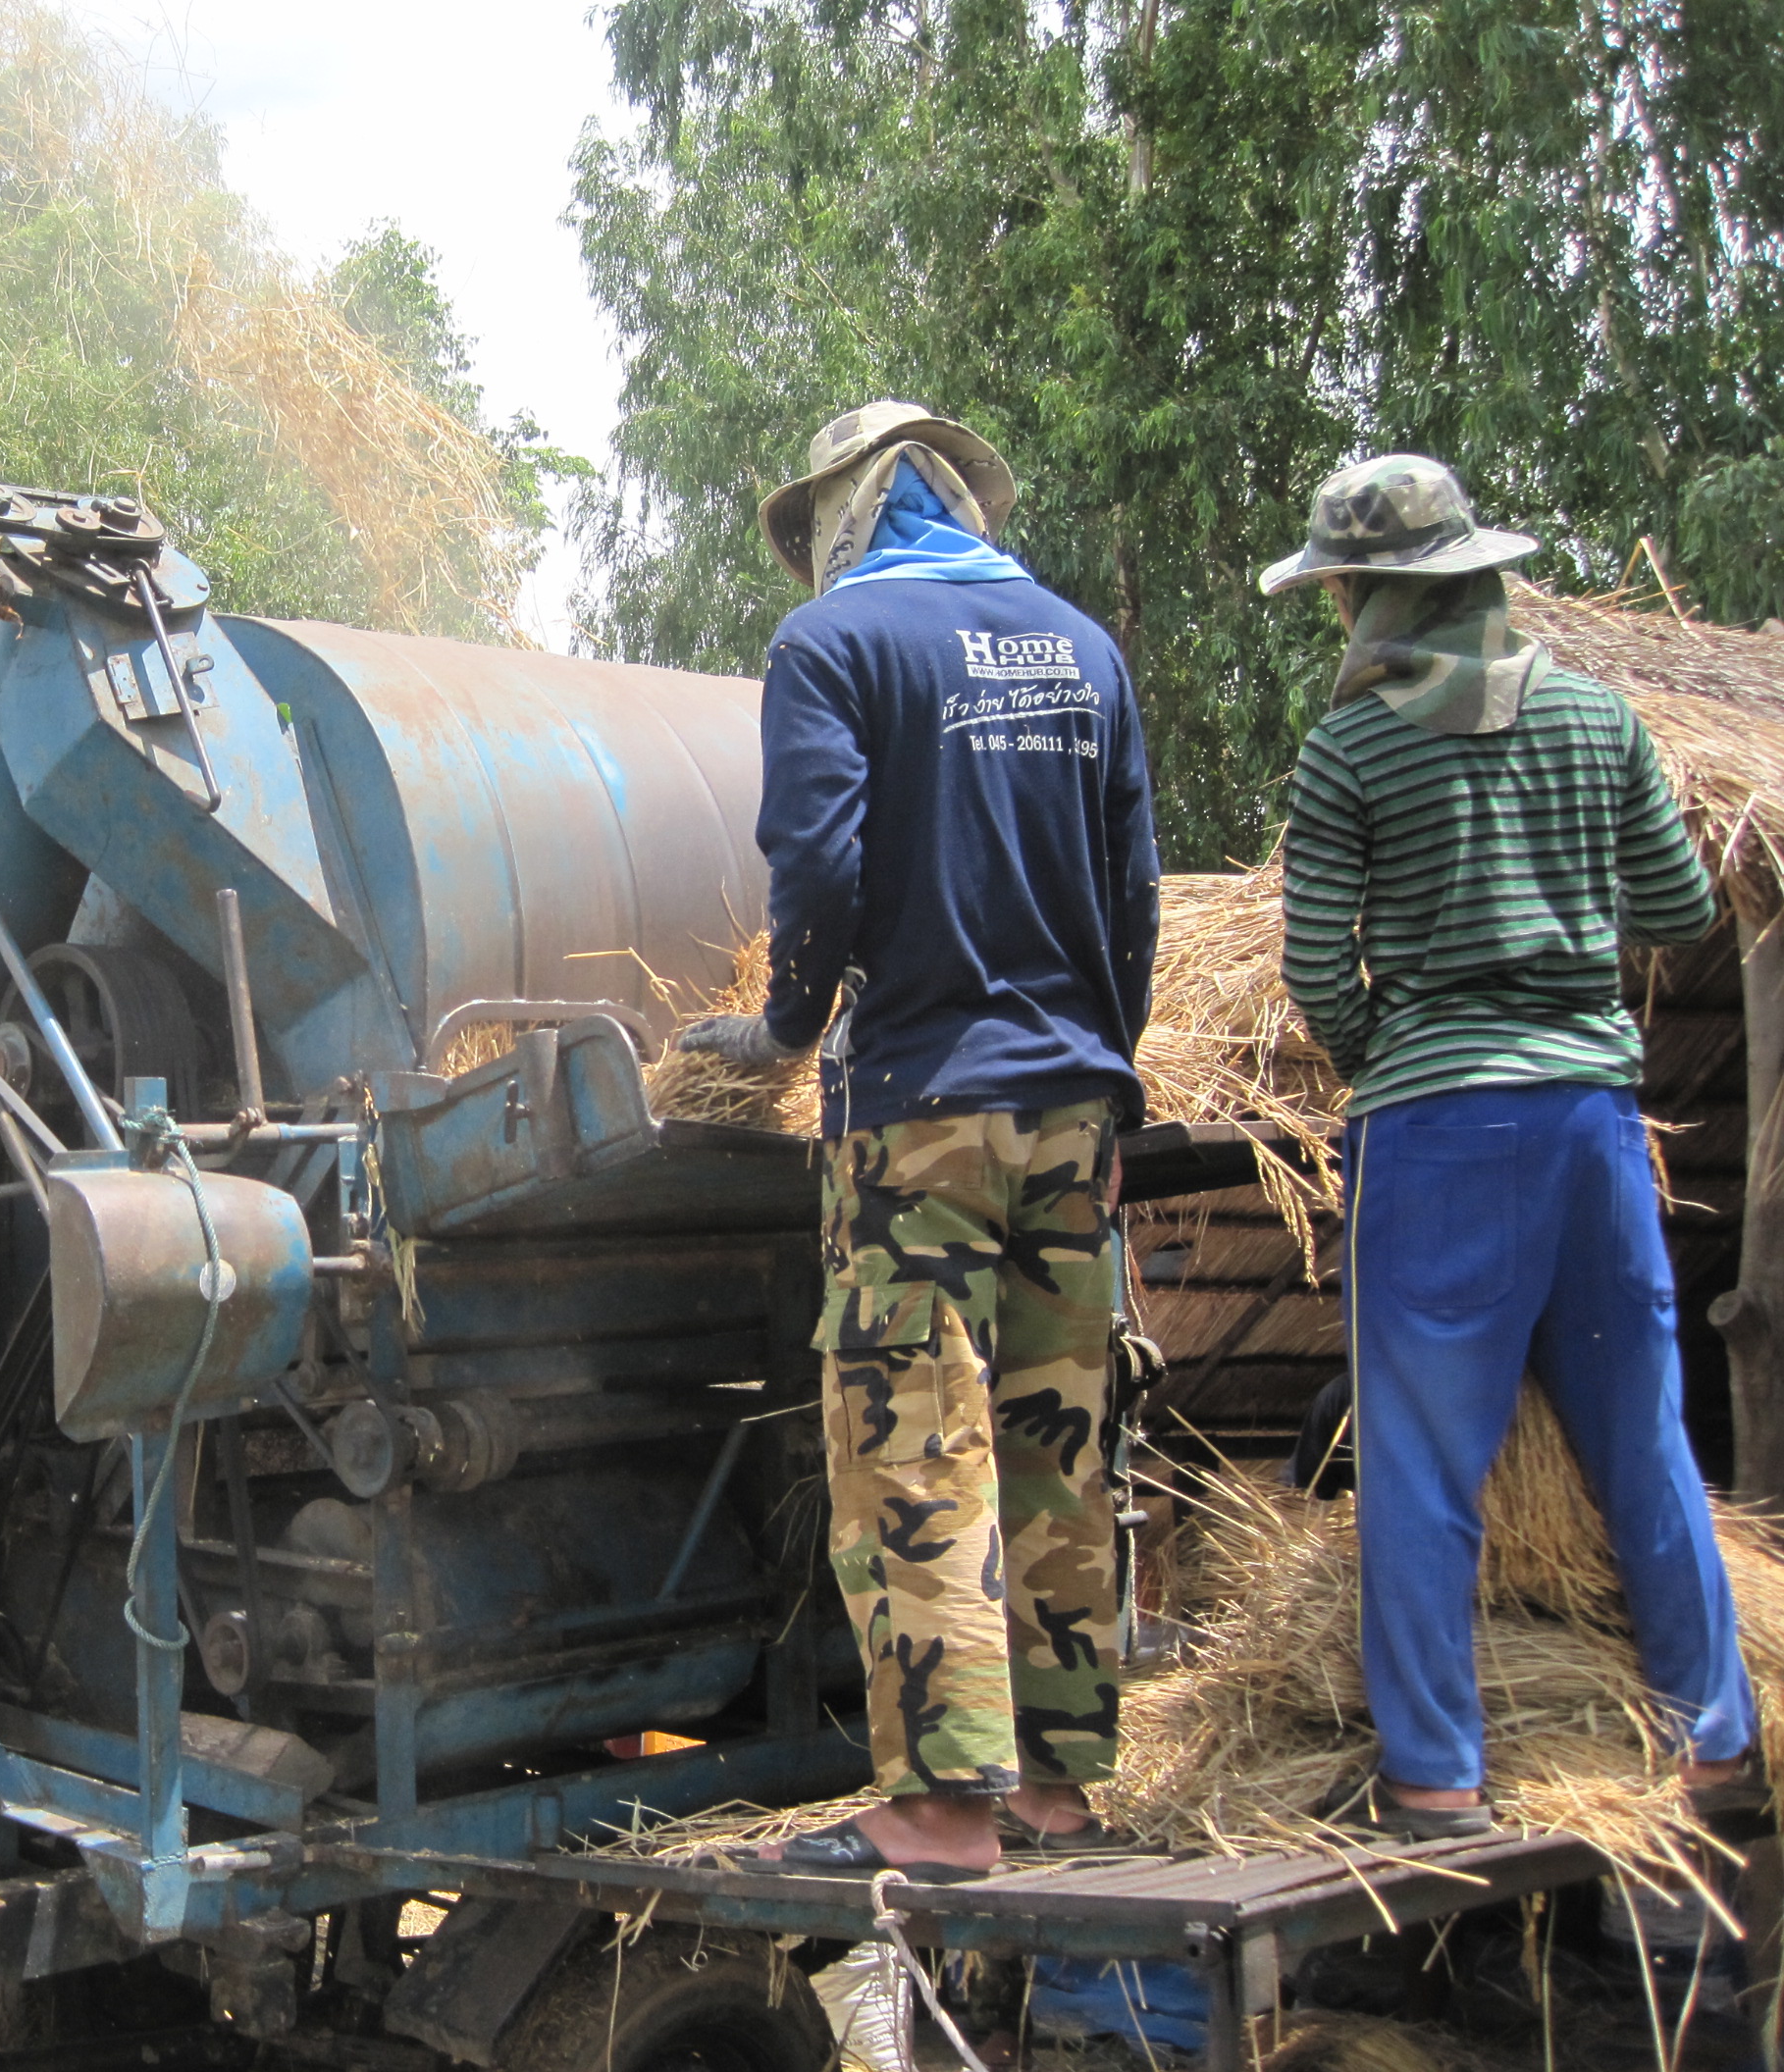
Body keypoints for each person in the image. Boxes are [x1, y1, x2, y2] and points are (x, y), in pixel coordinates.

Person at [678, 402, 1160, 1879]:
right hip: (1078, 1104)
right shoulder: (1083, 647)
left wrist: (789, 1025)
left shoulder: (833, 648)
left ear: (843, 514)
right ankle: (1060, 1789)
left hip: (920, 1111)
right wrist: (1108, 1066)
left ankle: (944, 1810)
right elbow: (1131, 885)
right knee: (1062, 1439)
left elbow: (818, 857)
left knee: (917, 1435)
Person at [1266, 453, 1758, 1837]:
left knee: (1422, 1463)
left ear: (1376, 596)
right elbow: (1673, 899)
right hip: (1592, 1126)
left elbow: (1314, 961)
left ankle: (1435, 1777)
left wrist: (1391, 1065)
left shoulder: (1354, 748)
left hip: (1437, 1137)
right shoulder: (1598, 718)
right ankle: (1718, 1749)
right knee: (1644, 1439)